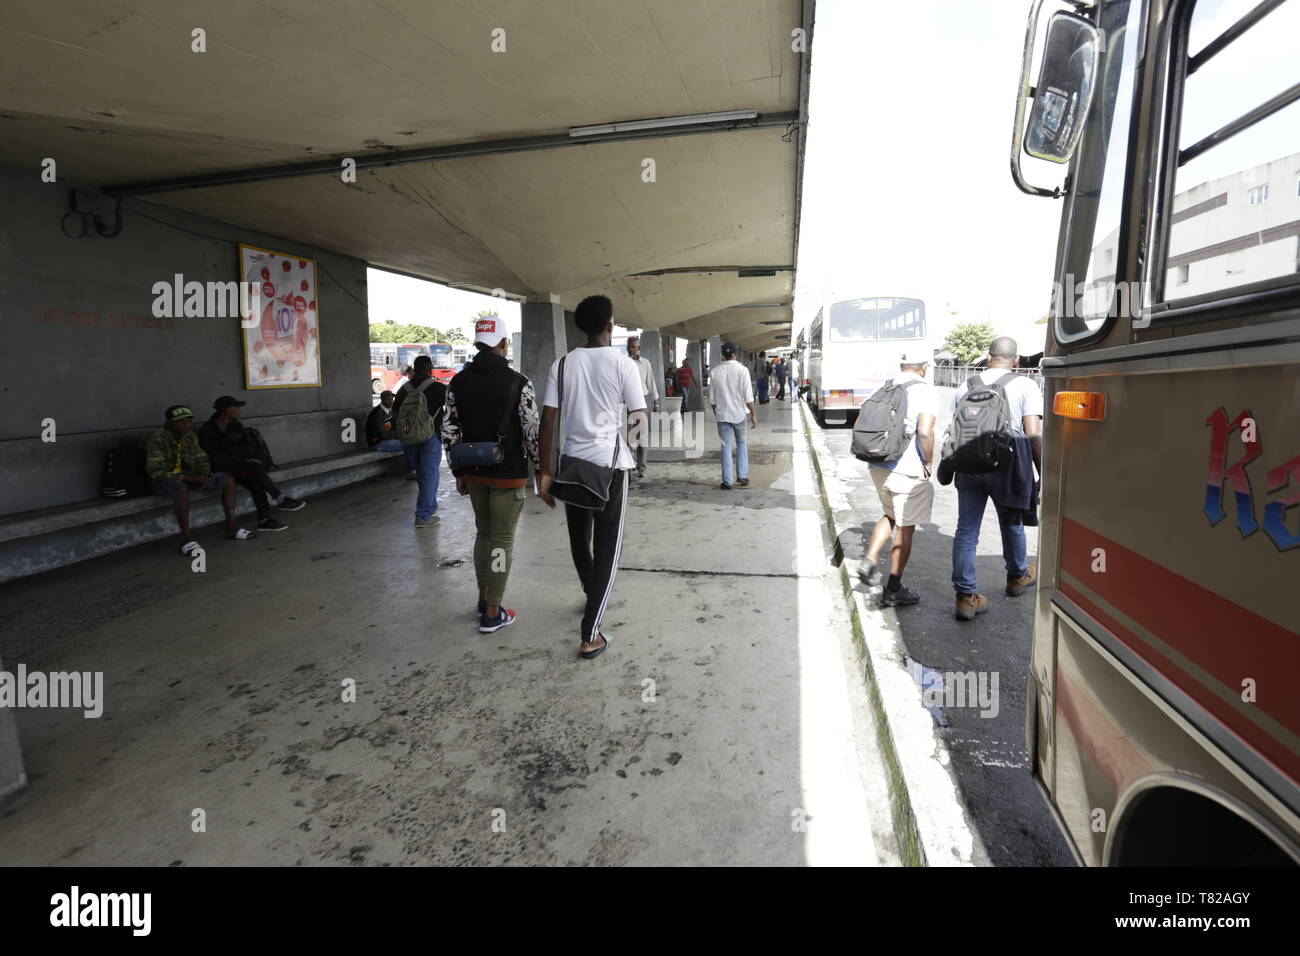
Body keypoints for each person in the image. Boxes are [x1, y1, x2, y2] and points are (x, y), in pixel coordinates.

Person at [538, 294, 646, 660]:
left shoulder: (563, 365)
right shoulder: (623, 365)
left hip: (572, 468)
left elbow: (548, 419)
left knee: (579, 542)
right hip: (611, 468)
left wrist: (544, 471)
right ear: (609, 326)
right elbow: (638, 417)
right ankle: (590, 633)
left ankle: (591, 593)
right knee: (608, 552)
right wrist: (629, 447)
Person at [443, 315, 541, 633]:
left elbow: (449, 430)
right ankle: (493, 612)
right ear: (503, 344)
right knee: (501, 540)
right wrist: (539, 468)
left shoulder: (457, 382)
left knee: (483, 534)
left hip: (473, 473)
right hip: (508, 473)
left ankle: (483, 599)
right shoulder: (519, 382)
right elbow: (531, 431)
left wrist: (458, 470)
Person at [948, 336, 1044, 621]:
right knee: (1012, 522)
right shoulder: (1025, 384)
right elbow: (1033, 433)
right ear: (1015, 361)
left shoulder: (965, 385)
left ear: (988, 357)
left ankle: (966, 597)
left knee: (966, 531)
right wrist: (1045, 471)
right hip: (1008, 464)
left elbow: (955, 426)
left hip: (968, 461)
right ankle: (1017, 576)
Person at [857, 349, 938, 607]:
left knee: (889, 514)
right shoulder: (925, 391)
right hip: (907, 469)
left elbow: (861, 420)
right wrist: (928, 461)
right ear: (923, 366)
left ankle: (870, 559)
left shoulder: (883, 388)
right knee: (905, 526)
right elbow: (925, 432)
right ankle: (893, 589)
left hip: (879, 463)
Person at [145, 404, 256, 554]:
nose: (186, 425)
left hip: (191, 476)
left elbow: (201, 458)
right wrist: (189, 478)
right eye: (181, 421)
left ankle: (230, 528)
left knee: (228, 479)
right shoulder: (157, 437)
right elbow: (155, 472)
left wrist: (205, 475)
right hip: (164, 480)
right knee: (181, 489)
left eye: (189, 421)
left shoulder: (189, 436)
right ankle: (187, 540)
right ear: (169, 423)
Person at [198, 396, 305, 533]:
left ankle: (265, 519)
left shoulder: (236, 425)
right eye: (236, 408)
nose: (239, 411)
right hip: (220, 470)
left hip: (240, 467)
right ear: (225, 411)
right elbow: (214, 457)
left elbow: (249, 447)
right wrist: (239, 459)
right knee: (255, 468)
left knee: (256, 479)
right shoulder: (208, 430)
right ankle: (279, 500)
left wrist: (237, 457)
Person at [391, 354, 447, 527]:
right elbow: (453, 410)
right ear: (430, 370)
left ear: (414, 370)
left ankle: (430, 507)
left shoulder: (405, 388)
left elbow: (395, 413)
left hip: (409, 437)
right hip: (431, 436)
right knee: (430, 475)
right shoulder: (438, 387)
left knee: (423, 473)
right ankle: (423, 515)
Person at [709, 341, 758, 490]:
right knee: (741, 442)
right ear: (736, 354)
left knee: (725, 446)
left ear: (723, 354)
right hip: (739, 414)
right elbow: (748, 397)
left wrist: (717, 413)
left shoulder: (715, 371)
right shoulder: (743, 371)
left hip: (722, 415)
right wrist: (754, 415)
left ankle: (727, 481)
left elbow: (712, 399)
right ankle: (742, 475)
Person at [626, 335, 660, 479]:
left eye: (633, 346)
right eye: (629, 346)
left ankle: (642, 467)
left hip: (642, 402)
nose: (631, 349)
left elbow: (651, 382)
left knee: (642, 435)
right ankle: (631, 463)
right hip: (627, 403)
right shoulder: (624, 363)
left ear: (639, 348)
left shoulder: (645, 363)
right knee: (629, 435)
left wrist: (656, 402)